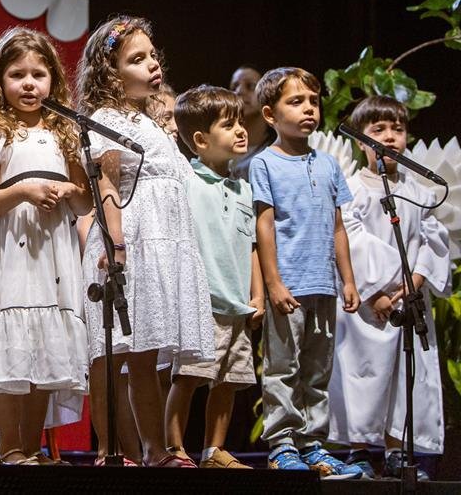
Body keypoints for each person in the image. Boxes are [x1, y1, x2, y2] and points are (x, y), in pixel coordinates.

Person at [75, 16, 214, 468]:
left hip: (165, 243)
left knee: (147, 354)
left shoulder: (150, 122)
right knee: (129, 352)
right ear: (112, 73)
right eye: (137, 59)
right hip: (135, 242)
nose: (153, 64)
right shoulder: (106, 120)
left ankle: (156, 449)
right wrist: (115, 245)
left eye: (153, 55)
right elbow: (108, 187)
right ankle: (129, 451)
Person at [0, 27, 92, 464]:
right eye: (17, 75)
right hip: (11, 251)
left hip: (53, 251)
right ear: (0, 81)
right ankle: (10, 448)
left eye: (38, 74)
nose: (29, 84)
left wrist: (69, 191)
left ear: (53, 79)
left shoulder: (65, 131)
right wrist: (23, 191)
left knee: (44, 349)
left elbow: (85, 200)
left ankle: (33, 446)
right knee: (9, 346)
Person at [328, 96, 451, 480]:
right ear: (360, 140)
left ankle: (397, 448)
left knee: (403, 374)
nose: (389, 137)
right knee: (363, 373)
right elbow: (351, 239)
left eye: (397, 129)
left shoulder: (418, 190)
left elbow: (432, 238)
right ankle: (360, 448)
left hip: (408, 300)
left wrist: (416, 279)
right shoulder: (352, 189)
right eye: (378, 129)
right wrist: (375, 290)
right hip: (367, 302)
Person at [249, 67, 363, 478]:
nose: (308, 109)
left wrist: (347, 280)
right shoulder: (264, 163)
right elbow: (264, 226)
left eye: (313, 101)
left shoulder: (328, 164)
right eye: (295, 102)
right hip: (289, 285)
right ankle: (282, 444)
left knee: (317, 370)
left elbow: (338, 227)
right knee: (283, 368)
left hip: (323, 284)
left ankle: (313, 444)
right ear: (270, 114)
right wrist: (273, 283)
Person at [165, 85, 264, 468]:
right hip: (201, 303)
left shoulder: (244, 189)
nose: (241, 130)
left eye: (240, 122)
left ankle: (214, 450)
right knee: (189, 376)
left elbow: (251, 245)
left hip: (236, 303)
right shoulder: (186, 183)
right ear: (201, 140)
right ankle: (174, 447)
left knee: (230, 379)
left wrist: (257, 295)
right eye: (228, 124)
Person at [229, 66, 273, 180]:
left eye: (250, 86)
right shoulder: (219, 149)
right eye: (234, 87)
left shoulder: (280, 149)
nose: (239, 91)